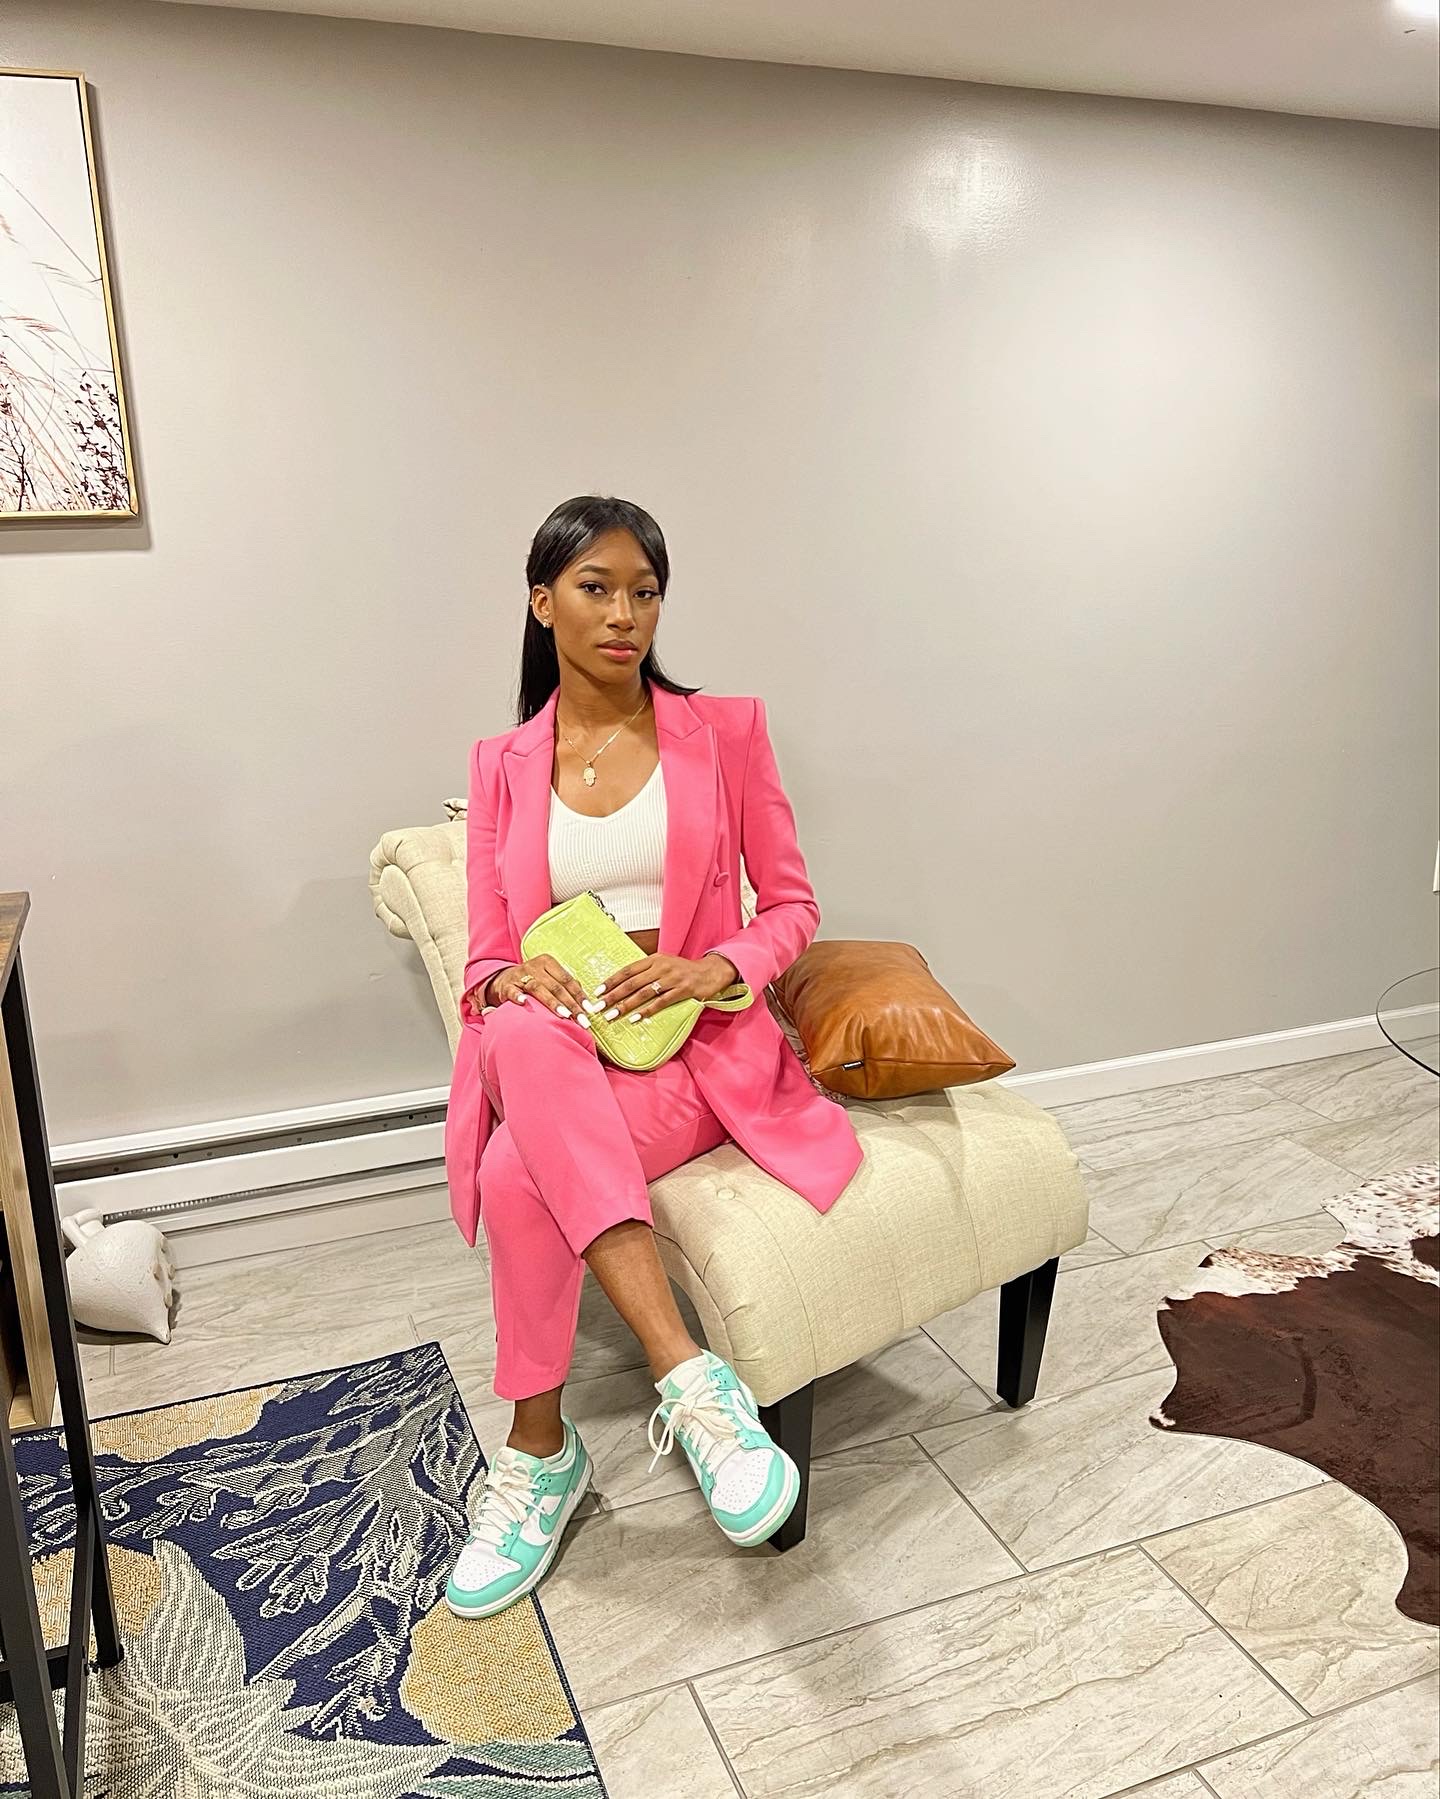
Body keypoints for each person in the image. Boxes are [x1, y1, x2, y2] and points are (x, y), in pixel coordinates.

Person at [443, 495, 863, 1617]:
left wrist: (712, 965)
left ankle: (541, 1452)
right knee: (519, 1027)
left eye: (645, 590)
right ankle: (689, 1376)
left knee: (514, 1171)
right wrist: (509, 979)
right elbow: (486, 954)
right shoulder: (500, 762)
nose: (624, 613)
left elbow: (792, 904)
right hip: (562, 1049)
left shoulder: (725, 732)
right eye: (596, 588)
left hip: (694, 1056)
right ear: (543, 602)